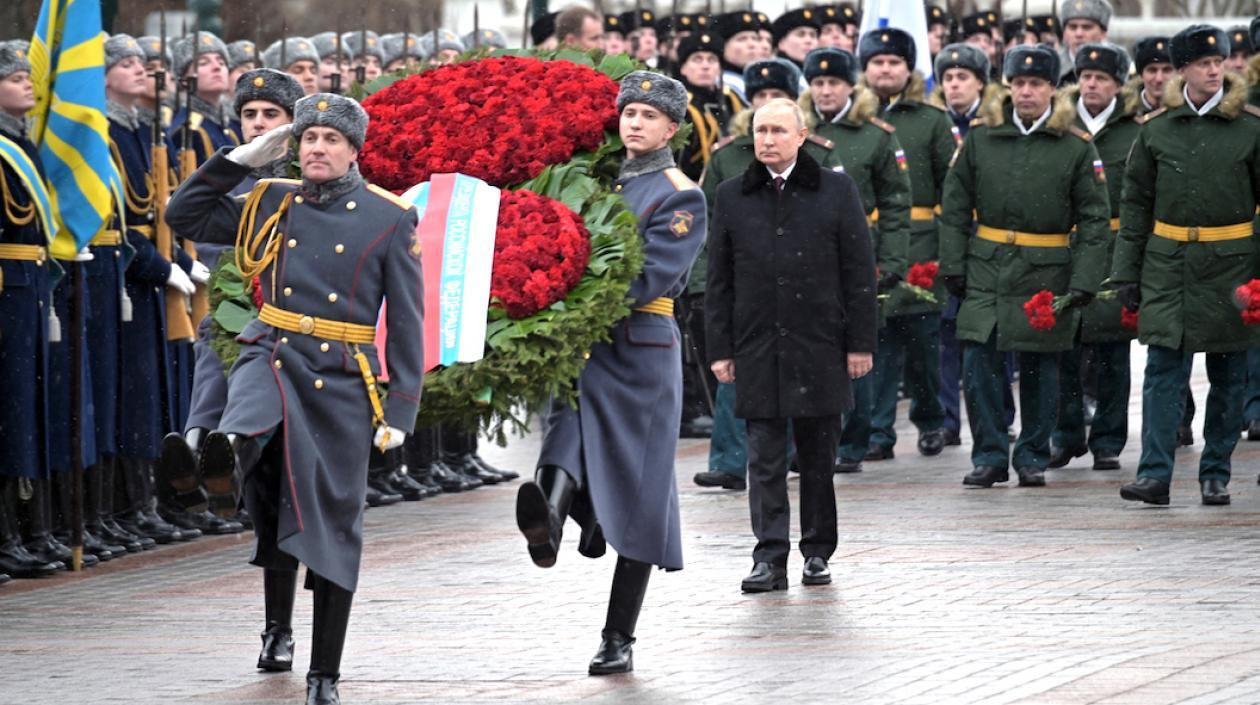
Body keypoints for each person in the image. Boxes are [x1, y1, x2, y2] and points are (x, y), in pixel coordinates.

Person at [166, 92, 423, 705]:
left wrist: (402, 410)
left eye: (331, 140)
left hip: (340, 374)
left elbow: (409, 320)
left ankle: (323, 675)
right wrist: (238, 160)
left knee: (332, 527)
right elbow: (185, 216)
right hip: (273, 345)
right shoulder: (270, 199)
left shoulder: (387, 216)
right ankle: (214, 472)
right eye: (307, 138)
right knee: (248, 414)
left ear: (354, 151)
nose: (316, 148)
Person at [516, 71, 704, 675]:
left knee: (642, 488)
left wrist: (571, 295)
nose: (635, 123)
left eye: (649, 115)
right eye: (629, 112)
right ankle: (547, 516)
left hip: (640, 347)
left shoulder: (680, 194)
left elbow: (649, 275)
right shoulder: (592, 183)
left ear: (672, 128)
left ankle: (618, 634)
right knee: (563, 433)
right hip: (584, 343)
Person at [707, 97, 877, 593]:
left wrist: (860, 344)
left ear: (803, 136)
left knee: (818, 457)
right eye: (761, 131)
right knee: (763, 458)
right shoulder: (733, 194)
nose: (767, 140)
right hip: (758, 345)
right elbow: (719, 280)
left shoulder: (836, 189)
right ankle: (769, 556)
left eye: (779, 131)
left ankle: (817, 551)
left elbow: (858, 274)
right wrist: (720, 349)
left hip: (820, 344)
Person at [938, 44, 1110, 489]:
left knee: (1040, 370)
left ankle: (1032, 454)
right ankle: (990, 455)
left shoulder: (1074, 145)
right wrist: (953, 265)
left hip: (1046, 270)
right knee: (980, 364)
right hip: (986, 267)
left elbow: (1094, 219)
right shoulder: (981, 137)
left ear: (1053, 88)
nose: (1027, 92)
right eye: (1019, 83)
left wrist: (1086, 279)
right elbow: (955, 207)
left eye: (1036, 84)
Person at [1112, 25, 1260, 507]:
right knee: (1161, 372)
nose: (1214, 70)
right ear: (1181, 72)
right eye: (1202, 63)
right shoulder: (1156, 130)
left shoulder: (1250, 129)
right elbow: (1135, 208)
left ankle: (1215, 472)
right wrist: (1126, 275)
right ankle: (1154, 474)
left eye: (1218, 61)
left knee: (1229, 374)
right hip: (1168, 266)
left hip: (1233, 267)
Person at [156, 68, 308, 533]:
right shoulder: (234, 185)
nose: (259, 123)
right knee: (216, 348)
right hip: (236, 317)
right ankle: (199, 455)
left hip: (299, 327)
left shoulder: (316, 182)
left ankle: (221, 455)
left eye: (271, 114)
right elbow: (180, 213)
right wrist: (235, 162)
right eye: (248, 115)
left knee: (245, 361)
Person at [694, 57, 820, 491]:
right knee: (736, 376)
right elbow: (708, 224)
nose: (768, 110)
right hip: (747, 286)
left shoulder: (813, 158)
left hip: (801, 286)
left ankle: (790, 454)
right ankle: (729, 461)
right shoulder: (729, 156)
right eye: (761, 99)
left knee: (798, 380)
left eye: (778, 99)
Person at [799, 46, 913, 470]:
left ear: (851, 86)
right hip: (806, 255)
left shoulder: (876, 134)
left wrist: (893, 262)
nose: (825, 91)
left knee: (859, 348)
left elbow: (898, 204)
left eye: (834, 83)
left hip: (859, 253)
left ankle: (857, 439)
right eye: (818, 83)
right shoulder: (795, 130)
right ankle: (815, 440)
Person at [858, 28, 955, 464]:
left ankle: (931, 419)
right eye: (877, 62)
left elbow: (950, 192)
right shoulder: (853, 121)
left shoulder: (932, 121)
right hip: (867, 244)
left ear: (908, 69)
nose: (885, 69)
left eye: (894, 62)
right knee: (877, 345)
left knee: (921, 345)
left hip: (920, 245)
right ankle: (878, 431)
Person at [1049, 43, 1142, 473]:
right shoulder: (1059, 127)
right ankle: (1066, 434)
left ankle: (1107, 439)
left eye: (1101, 78)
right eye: (1084, 76)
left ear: (1118, 85)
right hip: (1066, 250)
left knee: (1112, 356)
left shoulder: (1135, 131)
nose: (1091, 84)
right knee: (1063, 349)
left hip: (1114, 251)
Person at [0, 41, 62, 580]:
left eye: (28, 75)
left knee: (29, 408)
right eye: (15, 77)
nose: (27, 83)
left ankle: (29, 530)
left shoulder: (22, 144)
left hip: (31, 283)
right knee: (9, 412)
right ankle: (8, 533)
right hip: (8, 286)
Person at [931, 43, 1012, 449]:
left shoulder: (995, 125)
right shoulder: (936, 125)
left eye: (962, 77)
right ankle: (948, 420)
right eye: (947, 78)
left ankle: (1004, 416)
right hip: (950, 239)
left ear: (981, 82)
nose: (954, 85)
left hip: (991, 242)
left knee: (995, 338)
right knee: (948, 333)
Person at [715, 10, 765, 105]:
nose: (752, 45)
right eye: (742, 39)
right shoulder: (720, 84)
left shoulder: (763, 80)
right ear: (722, 46)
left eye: (755, 38)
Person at [1058, 0, 1111, 84]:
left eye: (1087, 27)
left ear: (1103, 33)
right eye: (1073, 27)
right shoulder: (1051, 69)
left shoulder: (1114, 70)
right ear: (1064, 33)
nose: (1079, 34)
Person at [1132, 36, 1174, 114]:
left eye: (1167, 70)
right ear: (1141, 75)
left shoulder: (1189, 112)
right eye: (1152, 70)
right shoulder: (1124, 112)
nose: (1159, 79)